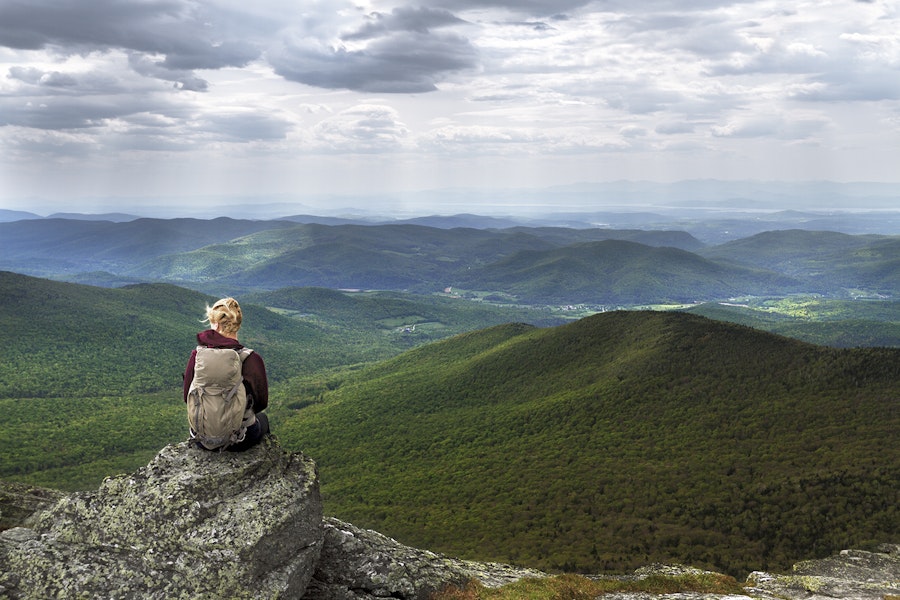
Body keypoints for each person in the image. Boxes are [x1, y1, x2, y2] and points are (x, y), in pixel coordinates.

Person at [183, 297, 270, 451]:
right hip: (242, 438)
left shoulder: (197, 356)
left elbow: (187, 397)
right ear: (238, 324)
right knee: (263, 420)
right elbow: (261, 403)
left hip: (201, 439)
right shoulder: (251, 359)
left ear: (215, 324)